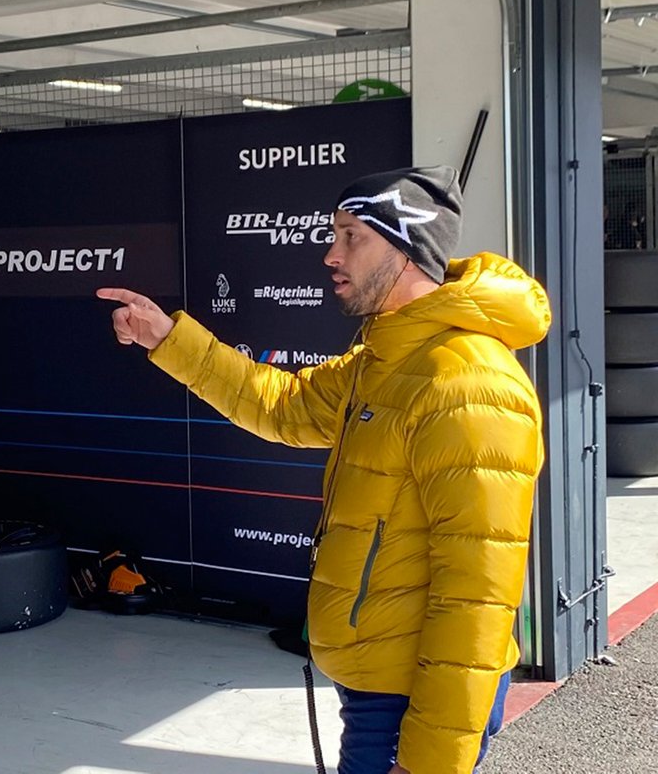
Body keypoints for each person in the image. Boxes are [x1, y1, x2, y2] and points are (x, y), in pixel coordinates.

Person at [98, 165, 550, 774]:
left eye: (350, 237)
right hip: (376, 677)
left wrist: (431, 761)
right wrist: (167, 339)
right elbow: (281, 405)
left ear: (407, 248)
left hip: (410, 699)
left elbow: (479, 598)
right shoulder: (387, 357)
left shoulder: (468, 382)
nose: (330, 255)